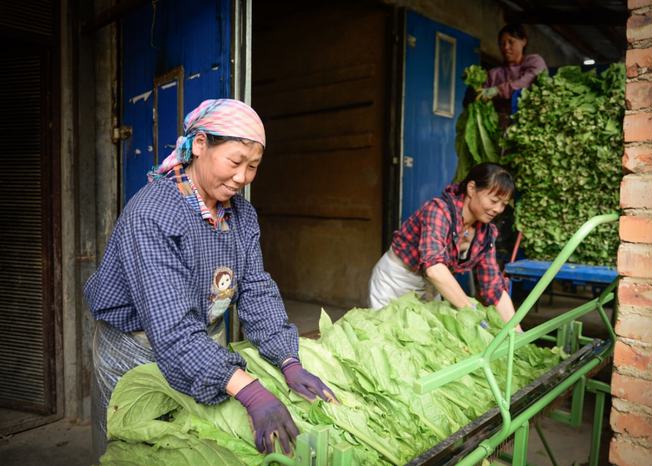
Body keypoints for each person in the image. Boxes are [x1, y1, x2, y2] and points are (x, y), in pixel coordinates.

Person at [84, 99, 336, 458]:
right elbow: (171, 329)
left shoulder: (242, 215)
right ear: (199, 145)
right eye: (235, 162)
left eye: (253, 167)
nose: (242, 178)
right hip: (136, 350)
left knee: (189, 449)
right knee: (132, 449)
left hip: (201, 342)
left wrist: (287, 358)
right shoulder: (151, 214)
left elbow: (256, 290)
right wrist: (251, 391)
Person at [369, 163, 522, 332]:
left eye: (503, 204)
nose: (497, 209)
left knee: (421, 341)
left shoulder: (485, 234)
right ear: (472, 189)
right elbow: (434, 269)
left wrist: (517, 331)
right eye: (493, 201)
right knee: (387, 336)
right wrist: (470, 311)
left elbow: (493, 288)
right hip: (397, 281)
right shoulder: (439, 211)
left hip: (432, 286)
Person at [479, 24, 547, 128]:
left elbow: (525, 82)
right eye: (502, 44)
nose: (506, 47)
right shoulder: (494, 75)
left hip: (530, 128)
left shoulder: (535, 62)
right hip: (500, 132)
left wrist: (497, 90)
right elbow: (481, 99)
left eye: (511, 42)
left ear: (523, 41)